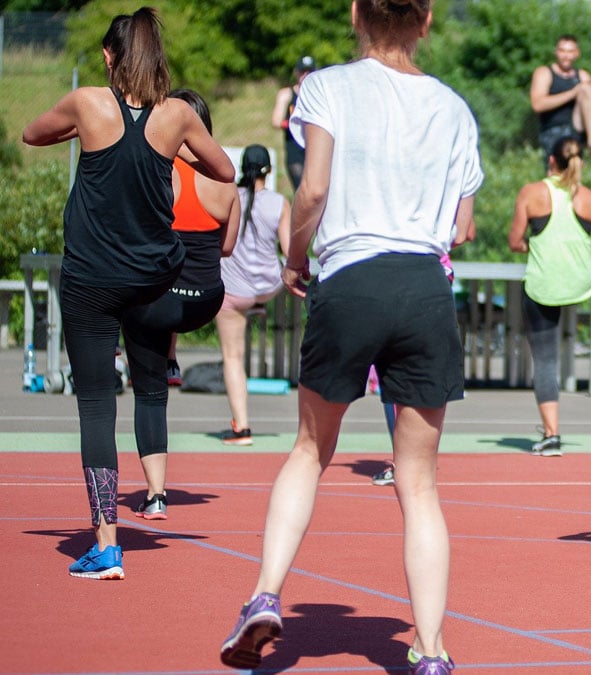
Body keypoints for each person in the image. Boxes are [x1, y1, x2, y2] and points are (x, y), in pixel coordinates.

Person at [218, 2, 481, 673]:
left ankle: (264, 594)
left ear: (358, 12)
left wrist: (297, 256)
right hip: (424, 286)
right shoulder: (453, 107)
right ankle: (430, 649)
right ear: (425, 20)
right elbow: (461, 228)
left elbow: (312, 190)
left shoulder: (326, 87)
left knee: (310, 449)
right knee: (418, 481)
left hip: (351, 277)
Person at [22, 7, 234, 580]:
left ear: (111, 58)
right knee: (148, 388)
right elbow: (224, 172)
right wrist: (172, 149)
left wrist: (85, 133)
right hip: (150, 281)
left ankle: (107, 544)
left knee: (95, 405)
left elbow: (32, 133)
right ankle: (157, 481)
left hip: (91, 280)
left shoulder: (89, 103)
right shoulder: (179, 116)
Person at [125, 89, 240, 519]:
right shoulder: (225, 182)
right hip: (206, 300)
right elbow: (227, 248)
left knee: (150, 395)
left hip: (161, 302)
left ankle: (156, 494)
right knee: (167, 286)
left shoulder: (155, 173)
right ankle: (170, 354)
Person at [507, 136, 591, 455]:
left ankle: (552, 434)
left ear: (551, 161)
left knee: (544, 359)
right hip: (580, 283)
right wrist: (586, 251)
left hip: (544, 285)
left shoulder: (531, 193)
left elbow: (515, 242)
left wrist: (534, 244)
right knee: (567, 341)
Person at [214, 144, 292, 446]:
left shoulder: (229, 197)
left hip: (233, 292)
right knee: (261, 291)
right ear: (269, 171)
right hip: (268, 286)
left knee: (233, 358)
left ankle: (242, 428)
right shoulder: (279, 202)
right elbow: (287, 249)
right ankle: (259, 306)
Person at [529, 34, 591, 162]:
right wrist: (573, 93)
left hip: (577, 130)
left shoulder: (583, 76)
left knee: (588, 88)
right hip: (554, 131)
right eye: (562, 51)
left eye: (570, 51)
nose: (566, 55)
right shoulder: (545, 73)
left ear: (577, 53)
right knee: (557, 176)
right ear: (556, 52)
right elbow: (537, 104)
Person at [271, 55, 317, 192]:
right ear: (297, 72)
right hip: (294, 148)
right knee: (301, 189)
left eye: (309, 71)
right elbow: (276, 121)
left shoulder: (318, 94)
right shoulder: (287, 94)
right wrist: (296, 124)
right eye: (303, 71)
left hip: (314, 147)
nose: (306, 75)